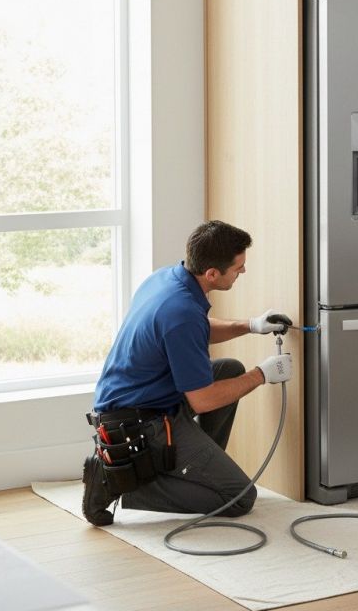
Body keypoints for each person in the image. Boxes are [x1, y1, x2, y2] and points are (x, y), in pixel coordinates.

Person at [82, 220, 293, 526]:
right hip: (140, 423)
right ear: (211, 274)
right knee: (239, 497)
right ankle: (120, 483)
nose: (242, 272)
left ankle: (193, 467)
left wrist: (249, 325)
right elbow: (203, 400)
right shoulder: (180, 312)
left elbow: (196, 331)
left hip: (144, 402)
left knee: (228, 370)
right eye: (238, 267)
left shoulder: (166, 279)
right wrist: (261, 374)